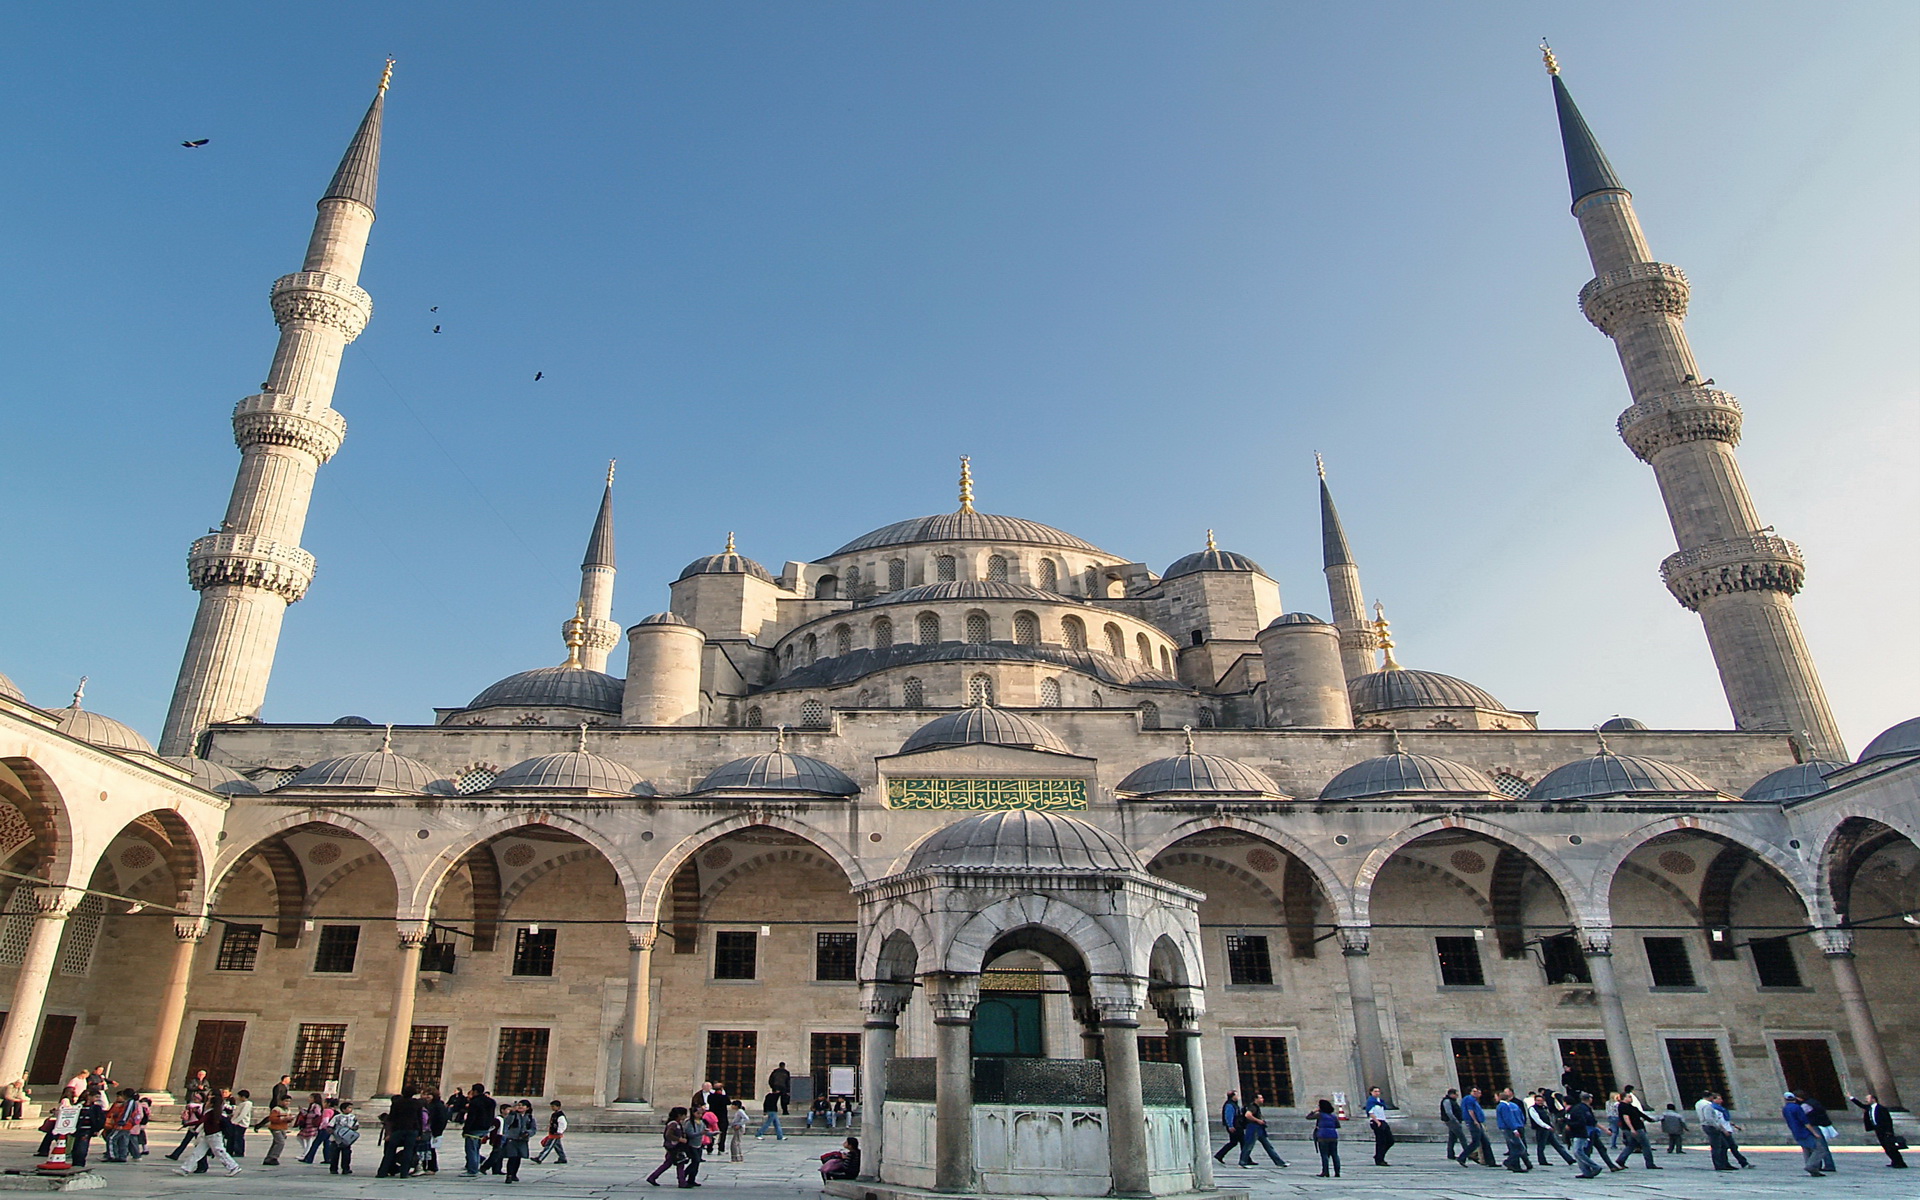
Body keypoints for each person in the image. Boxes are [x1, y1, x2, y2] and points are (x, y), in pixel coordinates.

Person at [174, 1099, 241, 1176]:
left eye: (209, 1102)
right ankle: (185, 1169)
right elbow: (203, 1119)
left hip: (214, 1136)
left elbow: (201, 1121)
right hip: (208, 1136)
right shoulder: (210, 1112)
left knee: (220, 1152)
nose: (206, 1103)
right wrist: (196, 1112)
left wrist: (187, 1124)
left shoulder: (211, 1112)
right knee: (197, 1152)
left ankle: (234, 1167)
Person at [646, 1106, 698, 1188]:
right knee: (680, 1163)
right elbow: (668, 1135)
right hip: (674, 1147)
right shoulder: (673, 1124)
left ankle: (652, 1177)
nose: (685, 1117)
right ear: (679, 1115)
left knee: (668, 1163)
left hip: (673, 1147)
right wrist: (679, 1139)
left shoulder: (676, 1124)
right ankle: (682, 1182)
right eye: (684, 1115)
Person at [1851, 1092, 1907, 1168]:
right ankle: (1894, 1161)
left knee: (1891, 1147)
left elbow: (1888, 1120)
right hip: (1878, 1130)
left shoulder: (1881, 1108)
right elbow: (1861, 1105)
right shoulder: (1869, 1108)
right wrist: (1851, 1097)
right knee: (1886, 1147)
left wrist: (1889, 1131)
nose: (1866, 1100)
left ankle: (1900, 1163)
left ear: (1873, 1099)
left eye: (1868, 1098)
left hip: (1885, 1130)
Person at [378, 1085, 422, 1177]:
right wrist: (419, 1132)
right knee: (408, 1151)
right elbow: (419, 1118)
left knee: (390, 1151)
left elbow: (392, 1117)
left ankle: (382, 1172)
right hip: (411, 1129)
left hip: (398, 1129)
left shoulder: (397, 1103)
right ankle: (404, 1173)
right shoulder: (416, 1103)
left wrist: (389, 1132)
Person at [1237, 1092, 1289, 1168]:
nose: (1262, 1099)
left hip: (1258, 1129)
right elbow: (1248, 1115)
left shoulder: (1256, 1107)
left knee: (1268, 1146)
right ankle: (1242, 1162)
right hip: (1253, 1128)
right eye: (1260, 1098)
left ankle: (1279, 1162)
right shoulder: (1253, 1107)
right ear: (1256, 1099)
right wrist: (1258, 1120)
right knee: (1249, 1145)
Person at [1782, 1091, 1826, 1176]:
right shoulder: (1797, 1108)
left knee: (1806, 1149)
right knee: (1820, 1149)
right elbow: (1805, 1122)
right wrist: (1814, 1132)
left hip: (1796, 1132)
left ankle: (1813, 1170)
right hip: (1804, 1132)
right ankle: (1811, 1166)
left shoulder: (1785, 1109)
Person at [1526, 1091, 1575, 1166]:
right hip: (1541, 1129)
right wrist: (1547, 1126)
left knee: (1557, 1145)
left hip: (1548, 1129)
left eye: (1541, 1101)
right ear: (1535, 1101)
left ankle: (1569, 1159)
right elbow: (1537, 1120)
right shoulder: (1532, 1109)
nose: (1540, 1102)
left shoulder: (1545, 1108)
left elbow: (1549, 1117)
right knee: (1541, 1145)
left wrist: (1551, 1126)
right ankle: (1542, 1161)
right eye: (1538, 1101)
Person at [1565, 1092, 1604, 1179]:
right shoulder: (1578, 1109)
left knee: (1578, 1152)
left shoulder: (1577, 1109)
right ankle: (1586, 1172)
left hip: (1580, 1133)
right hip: (1577, 1133)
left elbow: (1582, 1121)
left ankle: (1595, 1166)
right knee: (1578, 1153)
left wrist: (1570, 1125)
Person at [1615, 1086, 1657, 1168]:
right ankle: (1650, 1163)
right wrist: (1632, 1129)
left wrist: (1650, 1119)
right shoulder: (1623, 1106)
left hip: (1633, 1128)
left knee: (1631, 1145)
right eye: (1629, 1097)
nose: (1631, 1098)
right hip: (1635, 1128)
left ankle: (1621, 1159)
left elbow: (1640, 1114)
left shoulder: (1631, 1107)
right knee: (1645, 1145)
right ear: (1624, 1098)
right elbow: (1626, 1118)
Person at [104, 1088, 149, 1163]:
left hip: (125, 1124)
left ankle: (113, 1155)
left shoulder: (130, 1103)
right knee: (123, 1140)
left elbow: (127, 1113)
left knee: (111, 1138)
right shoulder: (132, 1102)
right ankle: (122, 1156)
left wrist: (121, 1122)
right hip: (128, 1125)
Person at [1694, 1091, 1736, 1170]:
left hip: (1707, 1125)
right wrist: (1718, 1127)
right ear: (1709, 1097)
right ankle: (1719, 1165)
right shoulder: (1707, 1105)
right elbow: (1709, 1118)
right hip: (1711, 1126)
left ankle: (1724, 1163)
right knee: (1717, 1146)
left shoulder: (1699, 1103)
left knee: (1723, 1145)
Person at [461, 1083, 497, 1175]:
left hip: (474, 1129)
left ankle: (472, 1170)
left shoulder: (475, 1102)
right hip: (485, 1128)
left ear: (475, 1091)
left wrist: (466, 1130)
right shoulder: (491, 1101)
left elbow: (471, 1117)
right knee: (476, 1149)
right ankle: (475, 1167)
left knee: (471, 1149)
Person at [1800, 1094, 1838, 1174]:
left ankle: (1823, 1165)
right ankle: (1827, 1164)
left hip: (1814, 1126)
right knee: (1822, 1146)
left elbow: (1801, 1115)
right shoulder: (1814, 1102)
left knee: (1818, 1147)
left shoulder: (1806, 1105)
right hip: (1822, 1125)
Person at [1493, 1088, 1530, 1172]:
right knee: (1520, 1148)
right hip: (1510, 1128)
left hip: (1509, 1128)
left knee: (1515, 1147)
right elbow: (1508, 1118)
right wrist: (1514, 1129)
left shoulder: (1503, 1106)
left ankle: (1515, 1165)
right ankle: (1509, 1161)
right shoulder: (1505, 1106)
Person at [499, 1099, 535, 1183]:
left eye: (522, 1105)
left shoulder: (529, 1117)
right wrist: (512, 1113)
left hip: (522, 1140)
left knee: (518, 1157)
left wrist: (528, 1133)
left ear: (527, 1108)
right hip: (512, 1139)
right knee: (512, 1157)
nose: (520, 1107)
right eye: (519, 1105)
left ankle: (514, 1174)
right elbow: (507, 1123)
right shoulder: (513, 1115)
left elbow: (533, 1129)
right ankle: (509, 1175)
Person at [1458, 1087, 1493, 1166]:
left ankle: (1490, 1161)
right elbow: (1470, 1111)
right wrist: (1475, 1121)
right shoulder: (1470, 1099)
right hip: (1473, 1122)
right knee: (1476, 1142)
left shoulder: (1472, 1099)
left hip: (1476, 1122)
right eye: (1474, 1091)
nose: (1476, 1093)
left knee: (1485, 1142)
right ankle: (1462, 1157)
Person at [1310, 1098, 1342, 1177]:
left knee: (1324, 1155)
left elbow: (1309, 1117)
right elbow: (1337, 1125)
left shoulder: (1320, 1115)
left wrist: (1314, 1111)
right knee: (1335, 1154)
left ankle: (1325, 1171)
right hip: (1333, 1136)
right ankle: (1337, 1172)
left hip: (1323, 1136)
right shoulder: (1333, 1116)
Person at [1362, 1086, 1393, 1165]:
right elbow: (1370, 1112)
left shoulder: (1380, 1101)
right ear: (1371, 1092)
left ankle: (1379, 1155)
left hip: (1383, 1120)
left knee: (1390, 1140)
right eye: (1375, 1091)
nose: (1377, 1093)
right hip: (1376, 1121)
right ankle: (1380, 1159)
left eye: (1378, 1091)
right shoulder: (1371, 1101)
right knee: (1380, 1141)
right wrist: (1377, 1121)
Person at [533, 1099, 569, 1164]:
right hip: (552, 1133)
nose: (552, 1108)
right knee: (558, 1147)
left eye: (553, 1106)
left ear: (558, 1107)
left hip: (556, 1134)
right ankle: (562, 1158)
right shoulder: (554, 1114)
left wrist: (559, 1131)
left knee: (548, 1146)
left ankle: (540, 1158)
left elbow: (563, 1124)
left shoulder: (560, 1115)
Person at [257, 1101, 292, 1166]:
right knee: (280, 1142)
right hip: (276, 1127)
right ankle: (273, 1157)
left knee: (276, 1143)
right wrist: (283, 1119)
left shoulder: (288, 1110)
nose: (287, 1103)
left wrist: (289, 1119)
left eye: (289, 1101)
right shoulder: (276, 1109)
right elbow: (272, 1119)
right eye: (286, 1101)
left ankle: (269, 1158)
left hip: (283, 1128)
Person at [328, 1103, 359, 1175]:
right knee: (334, 1155)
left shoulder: (353, 1117)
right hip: (335, 1139)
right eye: (349, 1108)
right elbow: (330, 1126)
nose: (350, 1109)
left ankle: (346, 1168)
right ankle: (333, 1168)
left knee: (346, 1155)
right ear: (343, 1109)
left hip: (346, 1139)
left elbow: (356, 1126)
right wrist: (334, 1133)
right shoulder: (337, 1117)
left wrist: (352, 1129)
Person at [1214, 1090, 1244, 1164]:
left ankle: (1220, 1155)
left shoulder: (1234, 1104)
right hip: (1235, 1126)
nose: (1237, 1097)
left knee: (1234, 1142)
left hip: (1237, 1125)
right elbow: (1228, 1116)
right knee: (1242, 1142)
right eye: (1236, 1095)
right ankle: (1245, 1158)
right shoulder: (1230, 1105)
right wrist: (1230, 1125)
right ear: (1232, 1097)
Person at [1439, 1089, 1468, 1162]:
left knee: (1452, 1138)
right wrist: (1455, 1121)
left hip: (1452, 1121)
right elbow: (1449, 1112)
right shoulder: (1447, 1101)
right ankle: (1467, 1153)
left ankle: (1450, 1154)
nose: (1457, 1096)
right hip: (1452, 1122)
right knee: (1462, 1137)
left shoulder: (1451, 1101)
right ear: (1452, 1094)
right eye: (1456, 1094)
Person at [227, 1089, 254, 1159]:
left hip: (241, 1123)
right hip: (236, 1122)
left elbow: (243, 1114)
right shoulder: (241, 1104)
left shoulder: (247, 1104)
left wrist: (235, 1121)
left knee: (239, 1138)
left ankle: (239, 1151)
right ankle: (232, 1150)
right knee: (234, 1137)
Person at [706, 1084, 731, 1153]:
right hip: (722, 1117)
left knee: (711, 1132)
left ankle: (709, 1148)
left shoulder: (710, 1096)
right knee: (722, 1133)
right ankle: (721, 1148)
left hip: (712, 1118)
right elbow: (728, 1102)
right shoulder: (723, 1097)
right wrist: (724, 1094)